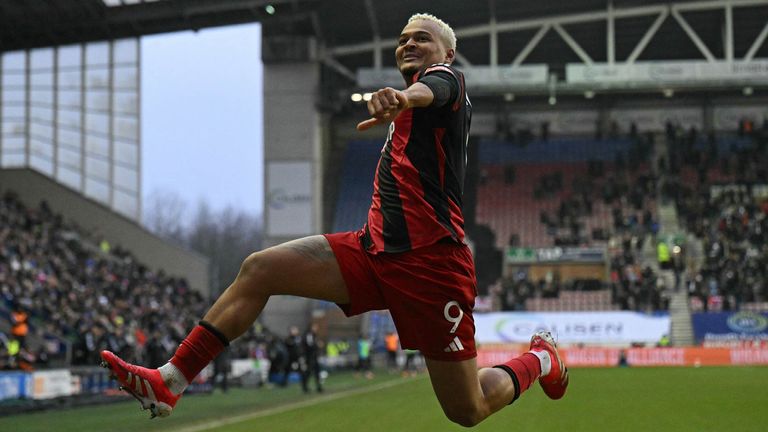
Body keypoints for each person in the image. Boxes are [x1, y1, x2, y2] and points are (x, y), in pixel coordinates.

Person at [100, 13, 568, 425]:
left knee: (467, 410)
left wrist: (406, 98)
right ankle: (170, 380)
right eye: (404, 38)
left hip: (431, 267)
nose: (408, 43)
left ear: (447, 51)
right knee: (259, 268)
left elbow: (436, 86)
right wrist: (403, 102)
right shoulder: (410, 108)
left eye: (421, 38)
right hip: (372, 252)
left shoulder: (448, 84)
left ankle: (539, 359)